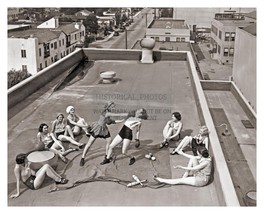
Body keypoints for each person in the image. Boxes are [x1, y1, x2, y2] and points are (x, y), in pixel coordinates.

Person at [79, 101, 128, 166]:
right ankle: (82, 158)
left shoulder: (108, 113)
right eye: (113, 107)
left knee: (109, 140)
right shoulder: (107, 113)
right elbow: (115, 116)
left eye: (114, 107)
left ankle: (107, 155)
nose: (114, 108)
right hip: (97, 128)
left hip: (104, 129)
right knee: (89, 143)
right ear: (109, 106)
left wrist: (121, 121)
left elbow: (110, 122)